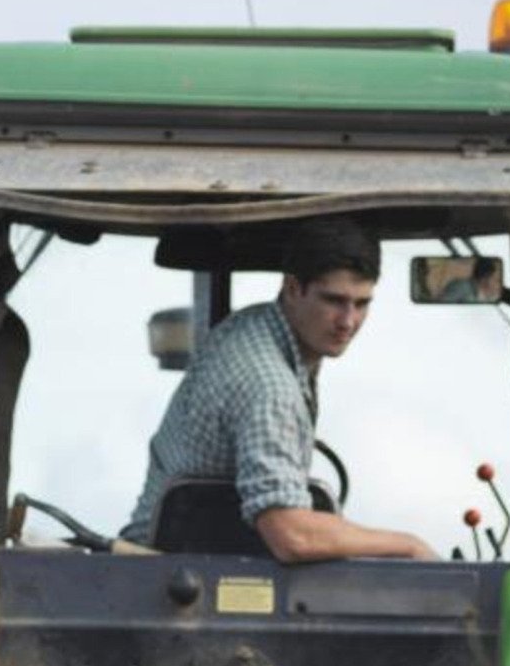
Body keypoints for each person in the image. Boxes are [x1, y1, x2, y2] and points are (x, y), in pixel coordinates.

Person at [121, 218, 438, 563]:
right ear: (292, 288)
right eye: (334, 300)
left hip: (189, 572)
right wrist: (410, 545)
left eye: (362, 304)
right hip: (167, 582)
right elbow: (292, 536)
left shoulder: (252, 327)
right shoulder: (270, 387)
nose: (348, 321)